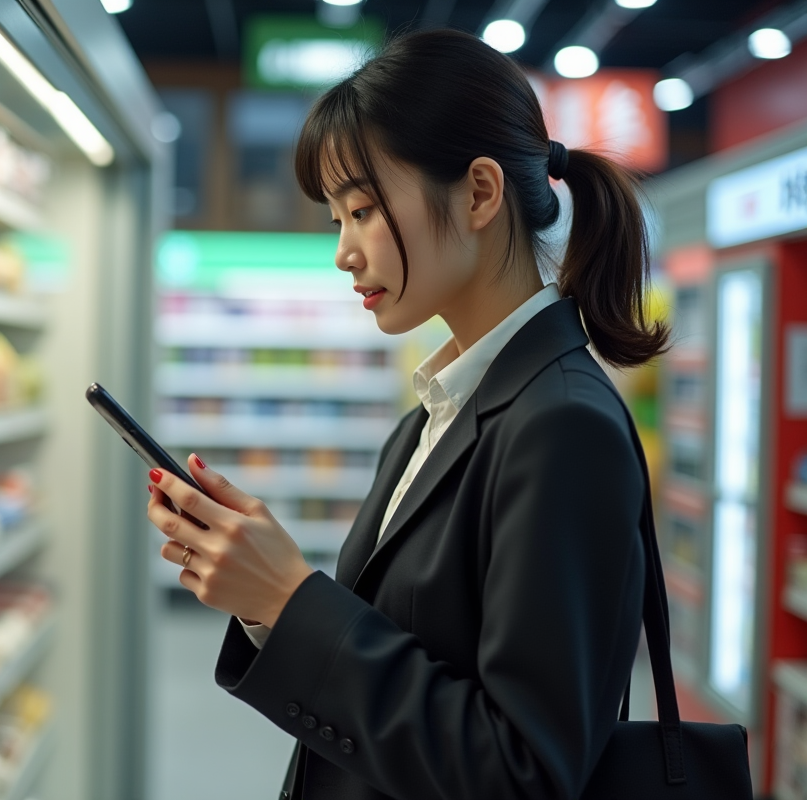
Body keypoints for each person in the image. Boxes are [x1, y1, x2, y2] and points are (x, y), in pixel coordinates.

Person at [146, 27, 668, 800]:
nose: (344, 252)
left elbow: (522, 773)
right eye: (337, 219)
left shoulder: (563, 426)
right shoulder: (438, 411)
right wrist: (269, 600)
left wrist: (288, 598)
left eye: (362, 209)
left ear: (480, 193)